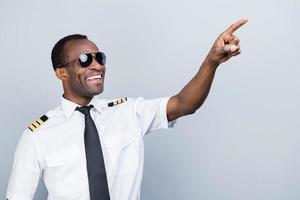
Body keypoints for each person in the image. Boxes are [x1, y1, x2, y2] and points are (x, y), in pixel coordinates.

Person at [6, 19, 247, 200]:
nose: (97, 66)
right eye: (84, 60)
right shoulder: (37, 136)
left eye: (100, 58)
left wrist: (211, 61)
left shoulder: (128, 113)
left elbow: (184, 104)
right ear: (61, 72)